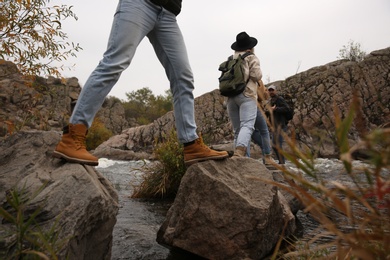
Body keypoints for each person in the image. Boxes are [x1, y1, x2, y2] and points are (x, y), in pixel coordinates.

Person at [53, 0, 229, 166]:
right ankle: (73, 136)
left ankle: (191, 144)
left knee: (183, 77)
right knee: (115, 63)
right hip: (139, 5)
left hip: (168, 14)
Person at [226, 32, 262, 157]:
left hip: (231, 96)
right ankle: (240, 152)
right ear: (250, 46)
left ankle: (239, 157)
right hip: (247, 95)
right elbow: (256, 76)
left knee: (237, 130)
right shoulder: (251, 57)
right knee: (247, 125)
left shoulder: (231, 58)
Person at [247, 80, 274, 164]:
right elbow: (263, 95)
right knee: (264, 131)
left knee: (246, 131)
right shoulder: (256, 78)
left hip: (241, 107)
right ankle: (267, 158)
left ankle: (245, 159)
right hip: (255, 105)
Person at [266, 85, 290, 164]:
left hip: (281, 125)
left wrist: (276, 109)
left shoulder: (279, 99)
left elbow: (287, 109)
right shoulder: (270, 101)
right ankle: (281, 162)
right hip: (274, 127)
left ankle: (282, 163)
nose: (271, 92)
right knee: (274, 146)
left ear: (275, 91)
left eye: (272, 90)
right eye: (269, 90)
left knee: (278, 145)